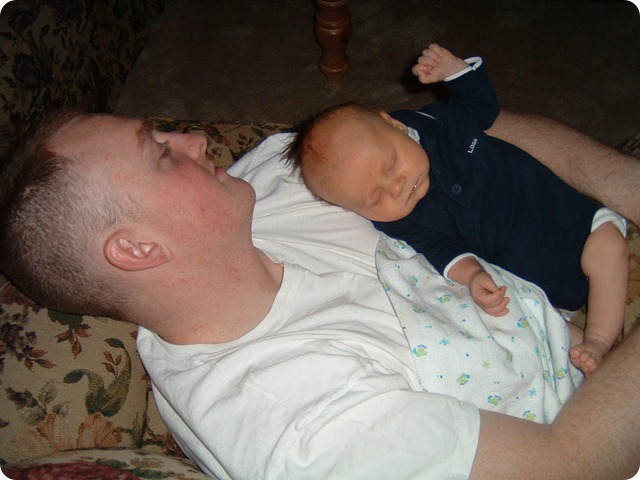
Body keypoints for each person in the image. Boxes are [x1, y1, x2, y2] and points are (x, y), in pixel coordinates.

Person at [1, 106, 639, 479]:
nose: (194, 140)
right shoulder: (297, 424)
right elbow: (573, 464)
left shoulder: (273, 178)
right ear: (137, 248)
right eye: (162, 154)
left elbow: (461, 132)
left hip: (571, 278)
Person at [283, 44, 629, 375]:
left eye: (391, 165)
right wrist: (474, 276)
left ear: (395, 126)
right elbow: (441, 249)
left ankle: (600, 336)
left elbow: (483, 107)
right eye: (376, 198)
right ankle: (587, 350)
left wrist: (456, 72)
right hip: (533, 281)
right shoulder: (396, 221)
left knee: (608, 245)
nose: (397, 187)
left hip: (568, 222)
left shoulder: (438, 124)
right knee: (525, 321)